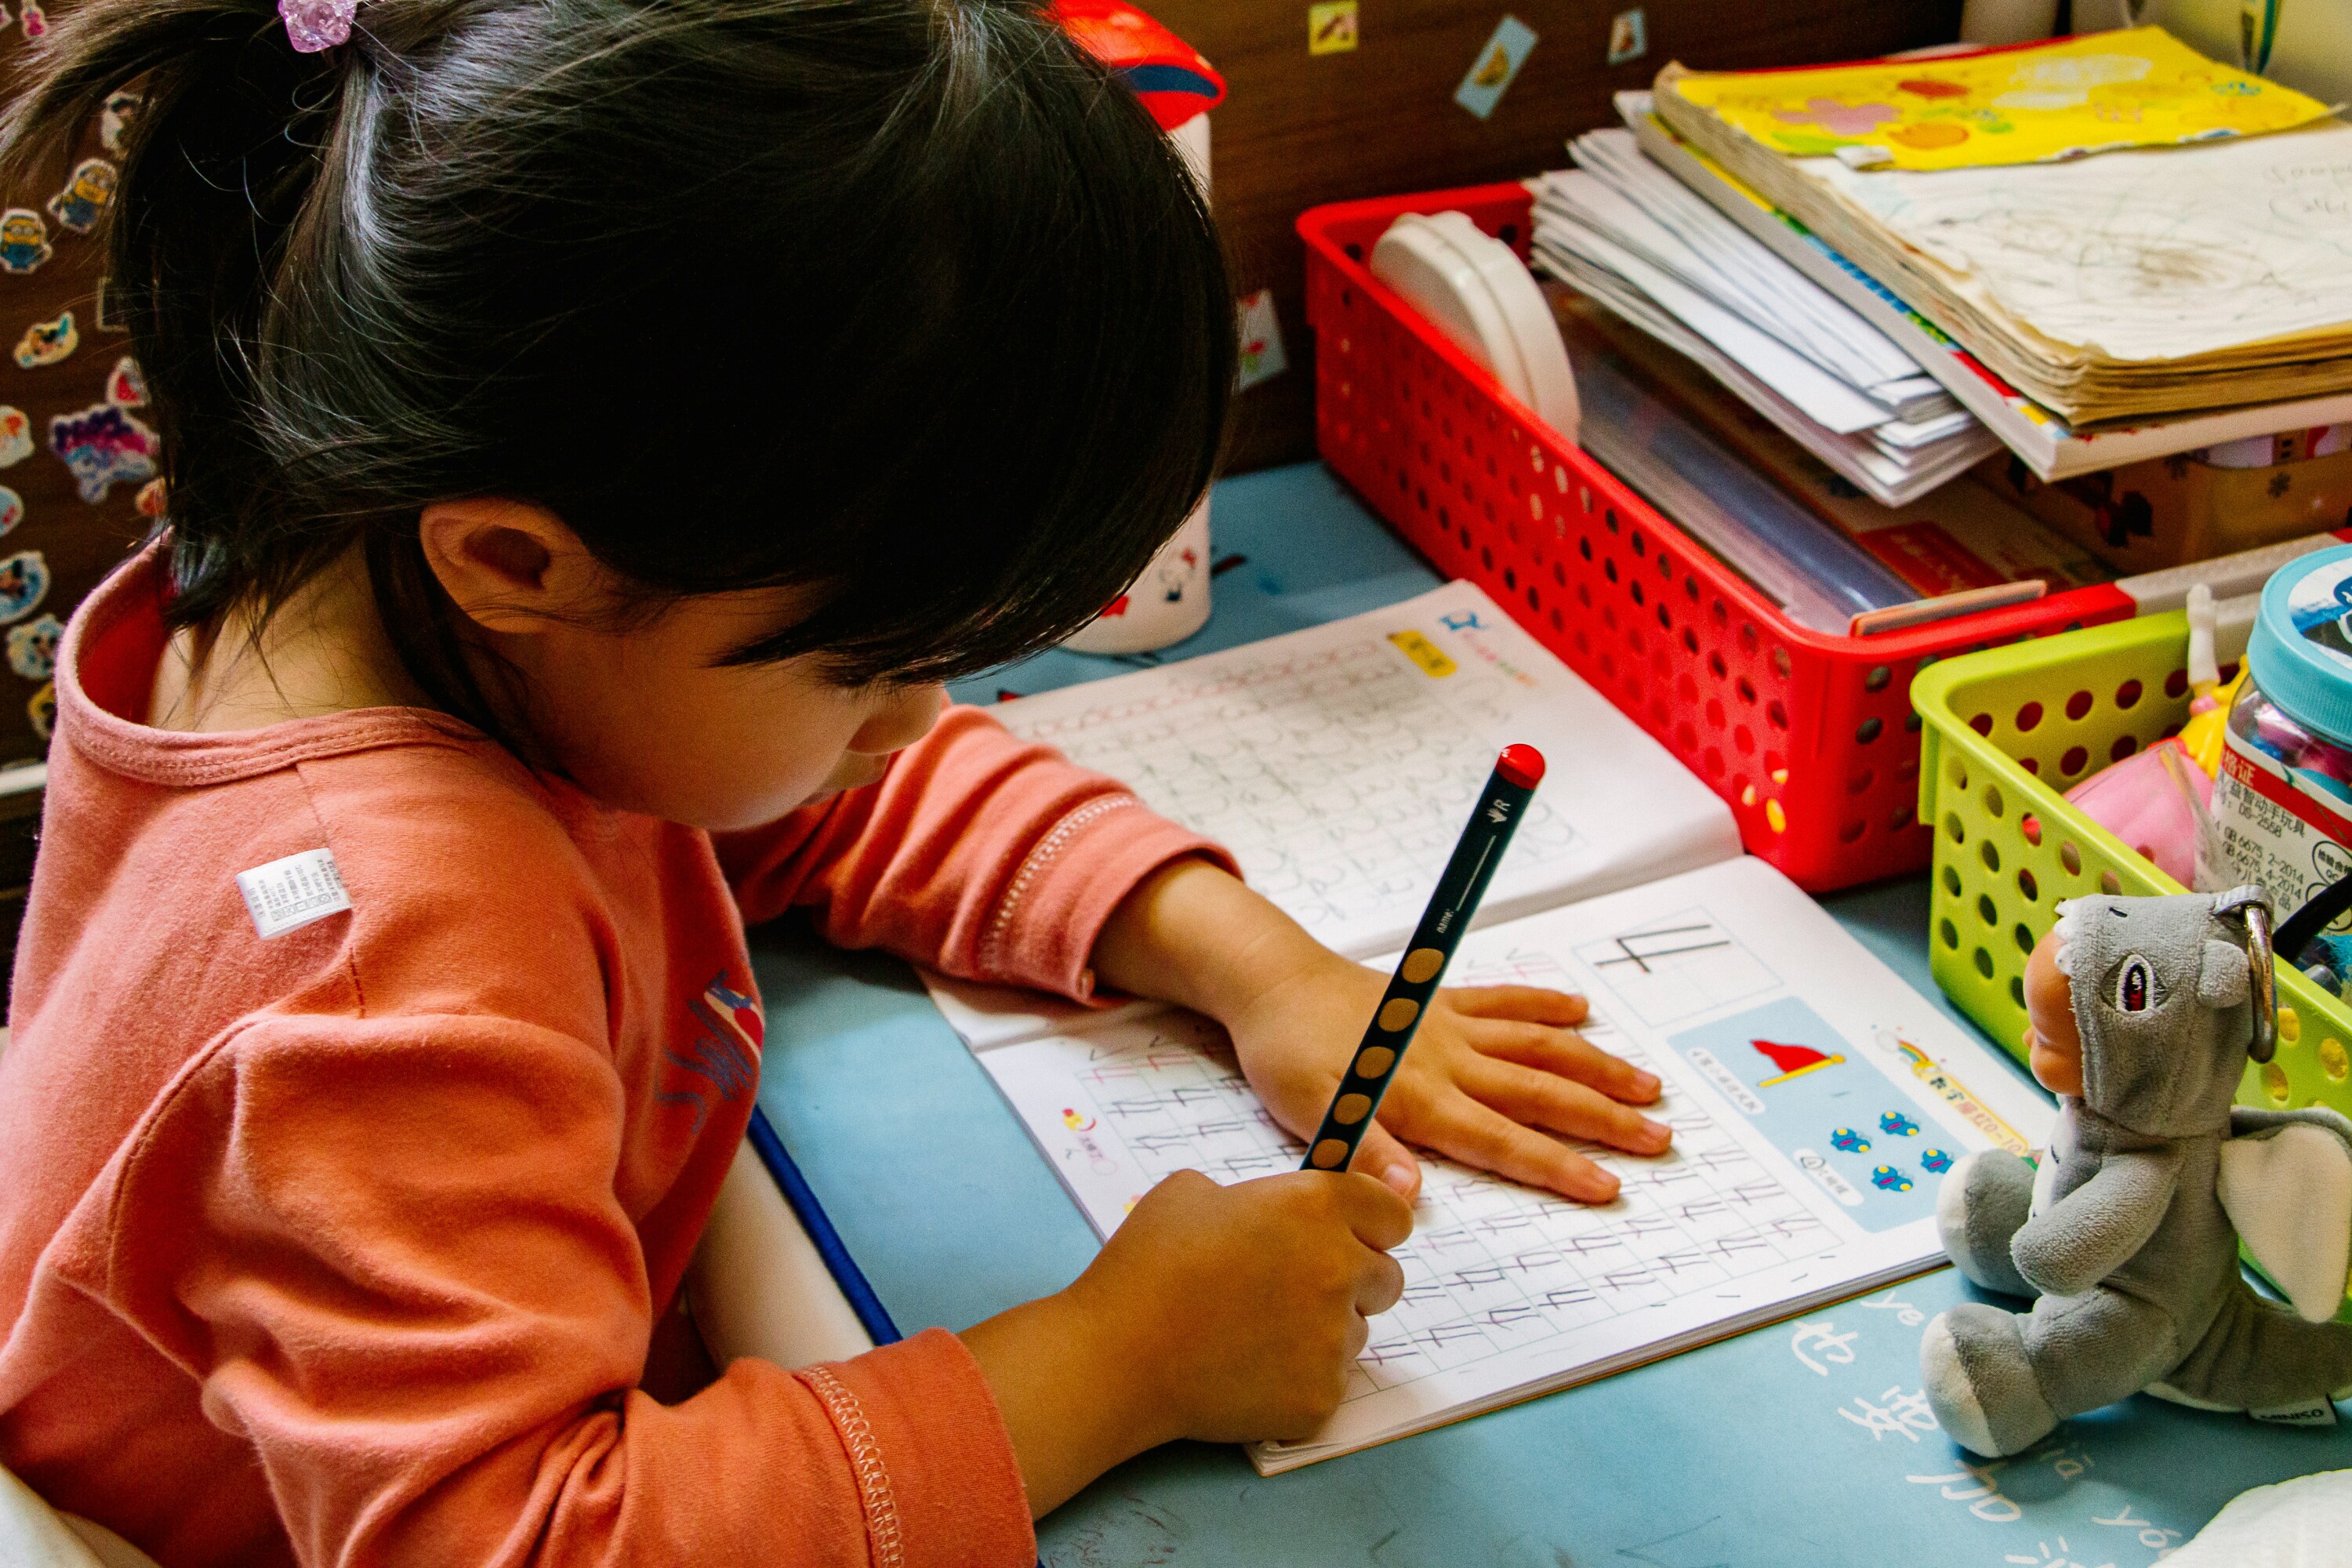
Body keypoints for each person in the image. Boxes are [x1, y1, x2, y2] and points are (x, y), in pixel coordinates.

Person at [0, 1, 1671, 1562]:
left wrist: (1254, 967)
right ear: (514, 558)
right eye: (866, 665)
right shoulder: (390, 973)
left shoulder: (370, 578)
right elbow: (541, 1539)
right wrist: (1121, 1359)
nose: (917, 716)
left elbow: (819, 789)